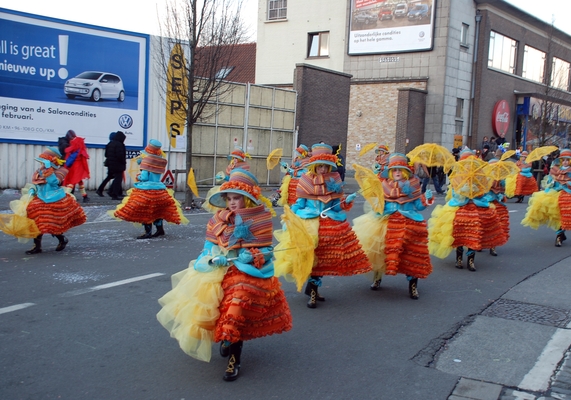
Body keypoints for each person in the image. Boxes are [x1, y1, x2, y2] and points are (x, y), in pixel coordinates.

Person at [157, 169, 292, 382]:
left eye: (237, 198)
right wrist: (213, 258)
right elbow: (207, 249)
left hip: (246, 273)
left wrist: (253, 255)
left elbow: (267, 252)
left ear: (247, 199)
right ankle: (227, 340)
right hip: (218, 272)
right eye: (229, 198)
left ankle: (234, 359)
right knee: (218, 309)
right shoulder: (217, 220)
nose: (232, 202)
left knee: (237, 304)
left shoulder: (261, 219)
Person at [274, 143, 371, 308]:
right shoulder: (305, 180)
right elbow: (299, 203)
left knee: (324, 259)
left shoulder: (335, 180)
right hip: (309, 222)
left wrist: (345, 201)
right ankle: (312, 292)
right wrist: (289, 218)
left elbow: (337, 205)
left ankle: (313, 289)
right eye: (320, 166)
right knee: (313, 257)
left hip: (330, 223)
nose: (323, 170)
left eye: (326, 166)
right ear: (314, 166)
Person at [352, 153, 434, 298]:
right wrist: (378, 204)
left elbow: (418, 206)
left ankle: (413, 285)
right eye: (394, 170)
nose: (397, 172)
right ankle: (377, 278)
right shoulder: (383, 185)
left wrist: (426, 199)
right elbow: (380, 207)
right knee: (380, 251)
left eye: (400, 170)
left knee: (412, 255)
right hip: (387, 223)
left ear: (405, 172)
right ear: (390, 172)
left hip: (410, 223)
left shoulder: (413, 184)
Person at [428, 148, 504, 271]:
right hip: (460, 206)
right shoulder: (457, 176)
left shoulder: (480, 176)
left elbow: (484, 192)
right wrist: (464, 191)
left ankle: (471, 260)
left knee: (474, 233)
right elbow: (455, 192)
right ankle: (459, 259)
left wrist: (476, 191)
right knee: (460, 234)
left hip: (477, 206)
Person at [109, 139, 189, 238]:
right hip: (160, 190)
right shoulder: (159, 161)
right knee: (157, 211)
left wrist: (139, 176)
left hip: (147, 190)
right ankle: (160, 230)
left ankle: (148, 232)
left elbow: (145, 177)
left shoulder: (146, 161)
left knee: (146, 212)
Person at [20, 147, 87, 254]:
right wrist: (32, 190)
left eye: (45, 162)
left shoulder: (61, 171)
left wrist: (49, 171)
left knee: (51, 222)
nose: (42, 164)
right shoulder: (40, 171)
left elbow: (54, 183)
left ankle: (61, 239)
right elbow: (36, 184)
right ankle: (37, 246)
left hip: (54, 198)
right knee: (35, 218)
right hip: (41, 197)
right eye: (42, 162)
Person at [522, 148, 571, 247]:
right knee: (556, 214)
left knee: (565, 212)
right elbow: (549, 182)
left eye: (568, 160)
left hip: (569, 193)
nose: (565, 162)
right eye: (563, 160)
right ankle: (560, 234)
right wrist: (551, 183)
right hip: (555, 193)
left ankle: (560, 234)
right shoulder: (554, 169)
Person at [61, 130, 91, 203]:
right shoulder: (81, 151)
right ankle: (66, 197)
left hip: (71, 167)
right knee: (73, 182)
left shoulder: (70, 149)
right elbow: (84, 162)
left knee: (77, 181)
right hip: (78, 168)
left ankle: (85, 196)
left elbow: (67, 159)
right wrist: (87, 171)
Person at [96, 131, 127, 200]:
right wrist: (124, 162)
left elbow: (106, 154)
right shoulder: (119, 145)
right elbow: (120, 156)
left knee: (110, 177)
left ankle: (101, 190)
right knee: (118, 178)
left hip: (110, 164)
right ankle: (114, 193)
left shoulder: (110, 144)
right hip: (117, 165)